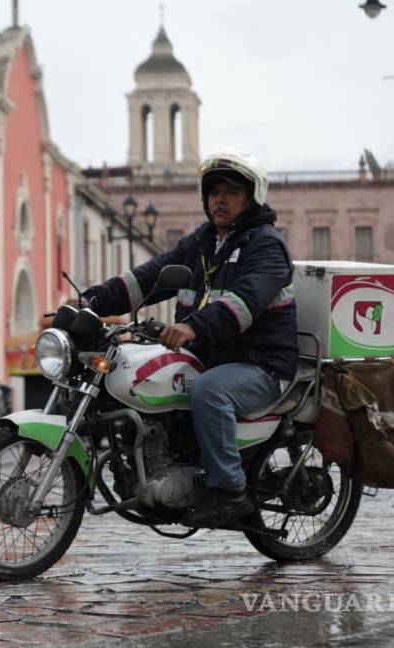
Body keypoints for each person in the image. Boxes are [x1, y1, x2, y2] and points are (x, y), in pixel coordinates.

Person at [75, 149, 298, 528]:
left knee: (210, 391)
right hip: (210, 358)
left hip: (261, 364)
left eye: (231, 192)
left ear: (253, 196)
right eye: (213, 193)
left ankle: (231, 493)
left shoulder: (266, 246)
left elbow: (245, 301)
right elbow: (148, 279)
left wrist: (194, 326)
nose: (219, 200)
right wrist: (89, 301)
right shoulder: (202, 244)